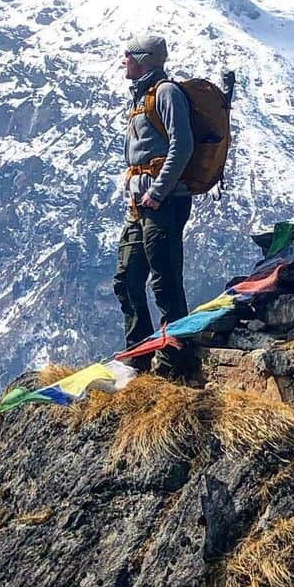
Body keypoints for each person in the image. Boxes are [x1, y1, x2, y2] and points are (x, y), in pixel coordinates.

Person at [114, 33, 194, 369]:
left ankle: (177, 356)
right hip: (141, 204)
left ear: (144, 58)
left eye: (128, 55)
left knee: (164, 279)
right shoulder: (140, 98)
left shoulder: (166, 93)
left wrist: (158, 191)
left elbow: (183, 145)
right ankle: (139, 354)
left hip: (164, 201)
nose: (124, 61)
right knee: (128, 278)